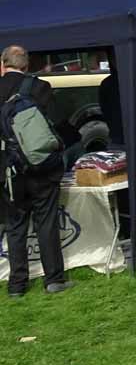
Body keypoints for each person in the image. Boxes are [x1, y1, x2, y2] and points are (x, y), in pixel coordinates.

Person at [0, 45, 74, 297]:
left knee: (15, 225)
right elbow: (58, 124)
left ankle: (16, 285)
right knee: (46, 222)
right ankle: (53, 279)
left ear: (3, 64)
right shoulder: (40, 87)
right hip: (42, 168)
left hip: (9, 171)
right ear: (26, 65)